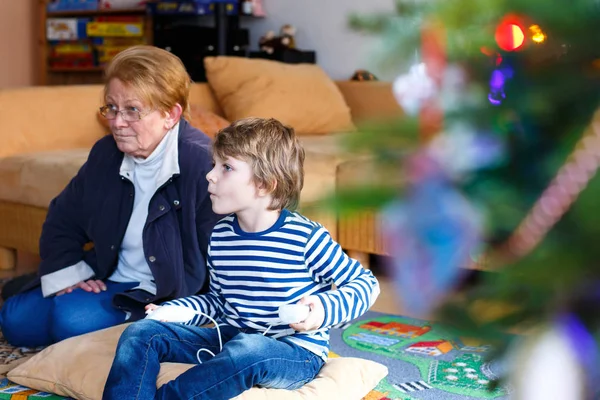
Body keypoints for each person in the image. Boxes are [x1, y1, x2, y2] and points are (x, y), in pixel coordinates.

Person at [102, 117, 381, 400]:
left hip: (295, 353)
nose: (210, 175)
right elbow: (219, 302)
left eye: (226, 168)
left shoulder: (305, 236)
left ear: (264, 184)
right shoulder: (221, 236)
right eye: (214, 165)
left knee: (249, 350)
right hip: (230, 339)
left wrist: (322, 309)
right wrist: (173, 311)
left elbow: (366, 284)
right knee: (140, 334)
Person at [0, 46, 221, 348]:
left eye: (132, 110)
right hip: (109, 273)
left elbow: (226, 248)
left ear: (171, 114)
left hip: (161, 291)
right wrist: (69, 275)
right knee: (15, 319)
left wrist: (193, 311)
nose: (117, 122)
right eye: (111, 108)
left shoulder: (202, 163)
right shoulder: (106, 153)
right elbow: (63, 216)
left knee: (70, 320)